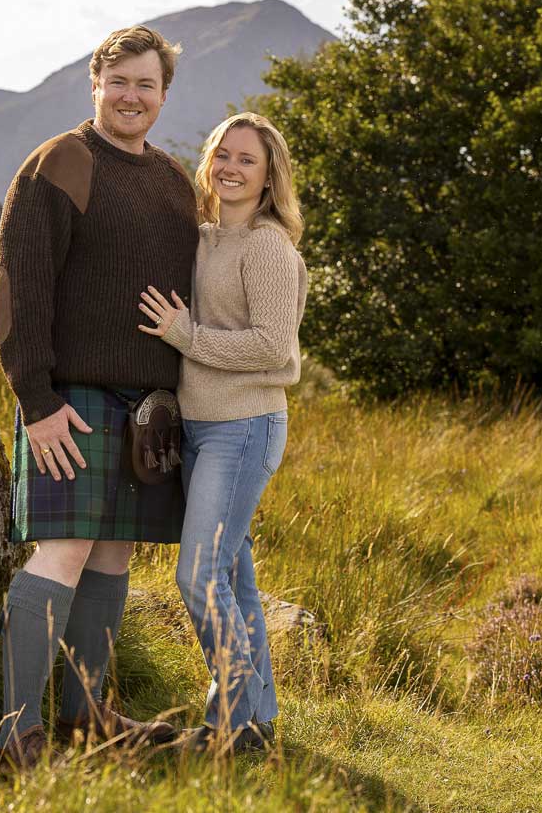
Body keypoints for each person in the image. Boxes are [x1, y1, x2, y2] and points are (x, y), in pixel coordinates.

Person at [0, 25, 199, 769]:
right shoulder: (63, 162)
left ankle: (87, 719)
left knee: (113, 554)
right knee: (67, 548)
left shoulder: (175, 181)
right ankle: (15, 734)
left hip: (148, 408)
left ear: (164, 95)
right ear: (96, 85)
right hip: (69, 399)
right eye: (120, 82)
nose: (132, 96)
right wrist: (36, 399)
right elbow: (20, 283)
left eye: (147, 84)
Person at [137, 111, 307, 755]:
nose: (231, 168)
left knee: (199, 576)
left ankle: (228, 723)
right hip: (203, 428)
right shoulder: (204, 238)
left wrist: (187, 338)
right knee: (233, 582)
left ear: (268, 180)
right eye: (223, 156)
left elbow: (274, 351)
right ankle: (257, 722)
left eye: (248, 161)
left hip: (245, 427)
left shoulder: (266, 245)